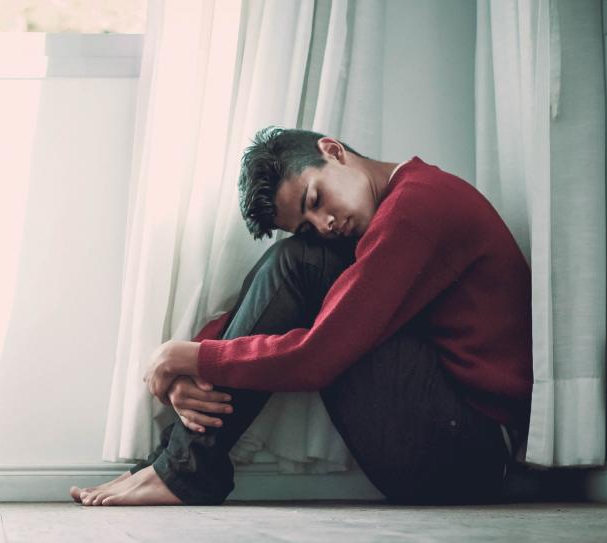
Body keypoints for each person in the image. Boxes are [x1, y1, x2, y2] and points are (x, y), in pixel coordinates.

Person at [72, 126, 533, 506]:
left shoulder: (418, 209)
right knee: (298, 257)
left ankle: (183, 471)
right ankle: (178, 464)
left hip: (468, 453)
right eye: (309, 222)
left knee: (300, 263)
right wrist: (188, 363)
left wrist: (190, 358)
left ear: (333, 151)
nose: (326, 224)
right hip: (447, 436)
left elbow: (319, 356)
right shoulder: (391, 211)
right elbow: (271, 304)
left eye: (316, 199)